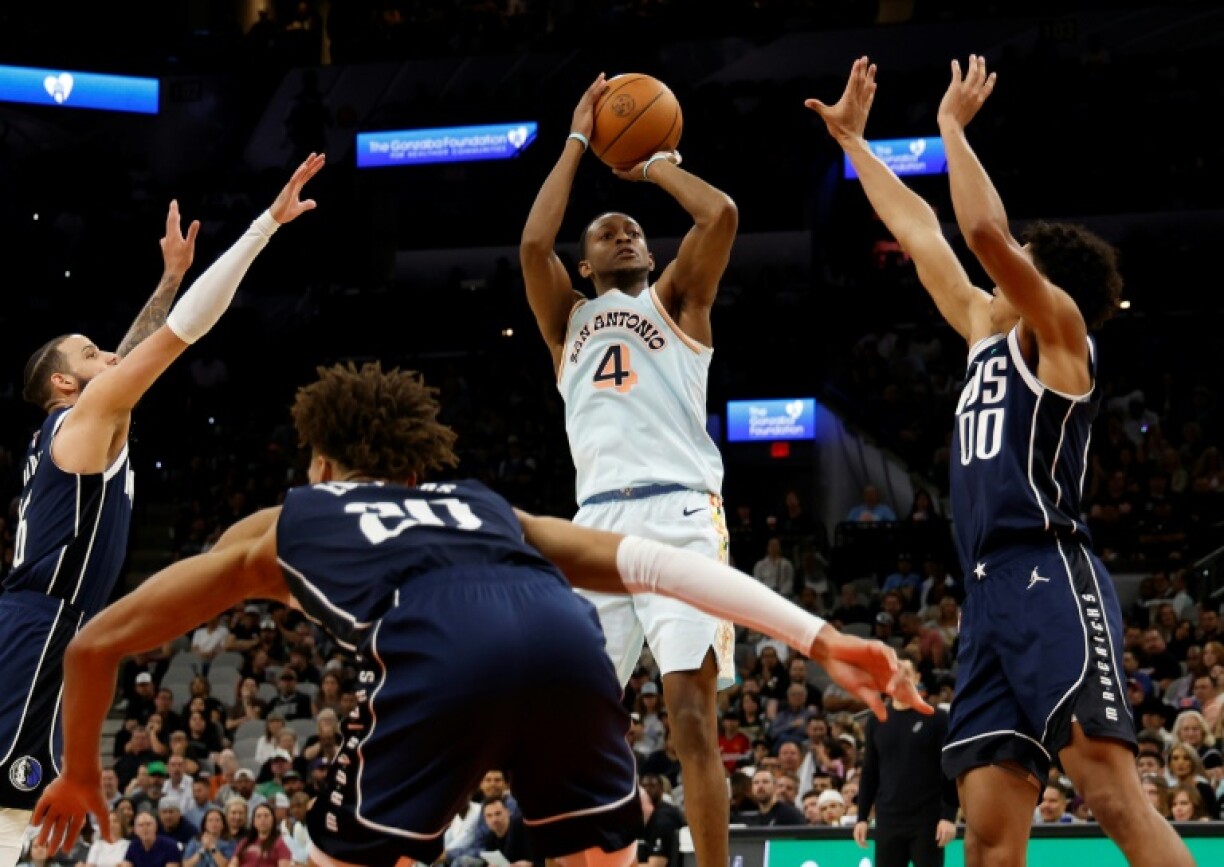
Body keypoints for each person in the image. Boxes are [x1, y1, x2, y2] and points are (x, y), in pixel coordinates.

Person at [32, 361, 926, 867]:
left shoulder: (287, 520)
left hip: (442, 654)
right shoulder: (485, 505)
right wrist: (819, 635)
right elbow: (655, 564)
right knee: (595, 860)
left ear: (325, 460)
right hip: (565, 644)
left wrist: (77, 771)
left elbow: (95, 641)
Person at [806, 55, 1194, 866]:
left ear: (1046, 281)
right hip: (986, 594)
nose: (1003, 255)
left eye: (1022, 253)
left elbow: (980, 232)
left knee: (1114, 794)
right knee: (985, 834)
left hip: (1049, 572)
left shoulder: (1063, 339)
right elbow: (920, 232)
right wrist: (853, 143)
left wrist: (950, 128)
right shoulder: (986, 333)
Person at [0, 153, 326, 867]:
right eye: (91, 351)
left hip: (55, 620)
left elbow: (139, 346)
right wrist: (263, 227)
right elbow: (178, 336)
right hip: (43, 621)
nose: (110, 351)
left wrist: (170, 276)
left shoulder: (83, 423)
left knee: (43, 812)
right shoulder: (83, 420)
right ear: (64, 380)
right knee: (14, 807)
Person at [520, 74, 741, 867]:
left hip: (681, 514)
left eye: (633, 232)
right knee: (574, 719)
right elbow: (532, 246)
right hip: (598, 527)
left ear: (651, 253)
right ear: (583, 267)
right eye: (606, 233)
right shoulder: (565, 321)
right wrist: (579, 140)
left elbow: (719, 215)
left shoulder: (678, 301)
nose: (622, 236)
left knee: (688, 714)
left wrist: (649, 164)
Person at [853, 659, 956, 867]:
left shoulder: (936, 717)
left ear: (917, 678)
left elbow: (949, 770)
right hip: (888, 820)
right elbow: (870, 772)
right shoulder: (876, 720)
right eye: (893, 673)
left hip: (928, 821)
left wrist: (948, 816)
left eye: (905, 672)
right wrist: (862, 817)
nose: (899, 677)